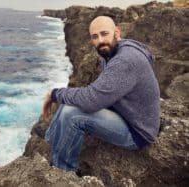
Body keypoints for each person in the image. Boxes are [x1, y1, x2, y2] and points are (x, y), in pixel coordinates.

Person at [42, 16, 160, 173]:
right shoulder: (113, 52)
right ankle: (52, 142)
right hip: (126, 115)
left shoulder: (125, 60)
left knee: (71, 114)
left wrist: (54, 94)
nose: (100, 40)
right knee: (70, 103)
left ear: (116, 32)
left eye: (104, 33)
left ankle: (62, 172)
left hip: (137, 131)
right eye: (95, 36)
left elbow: (92, 100)